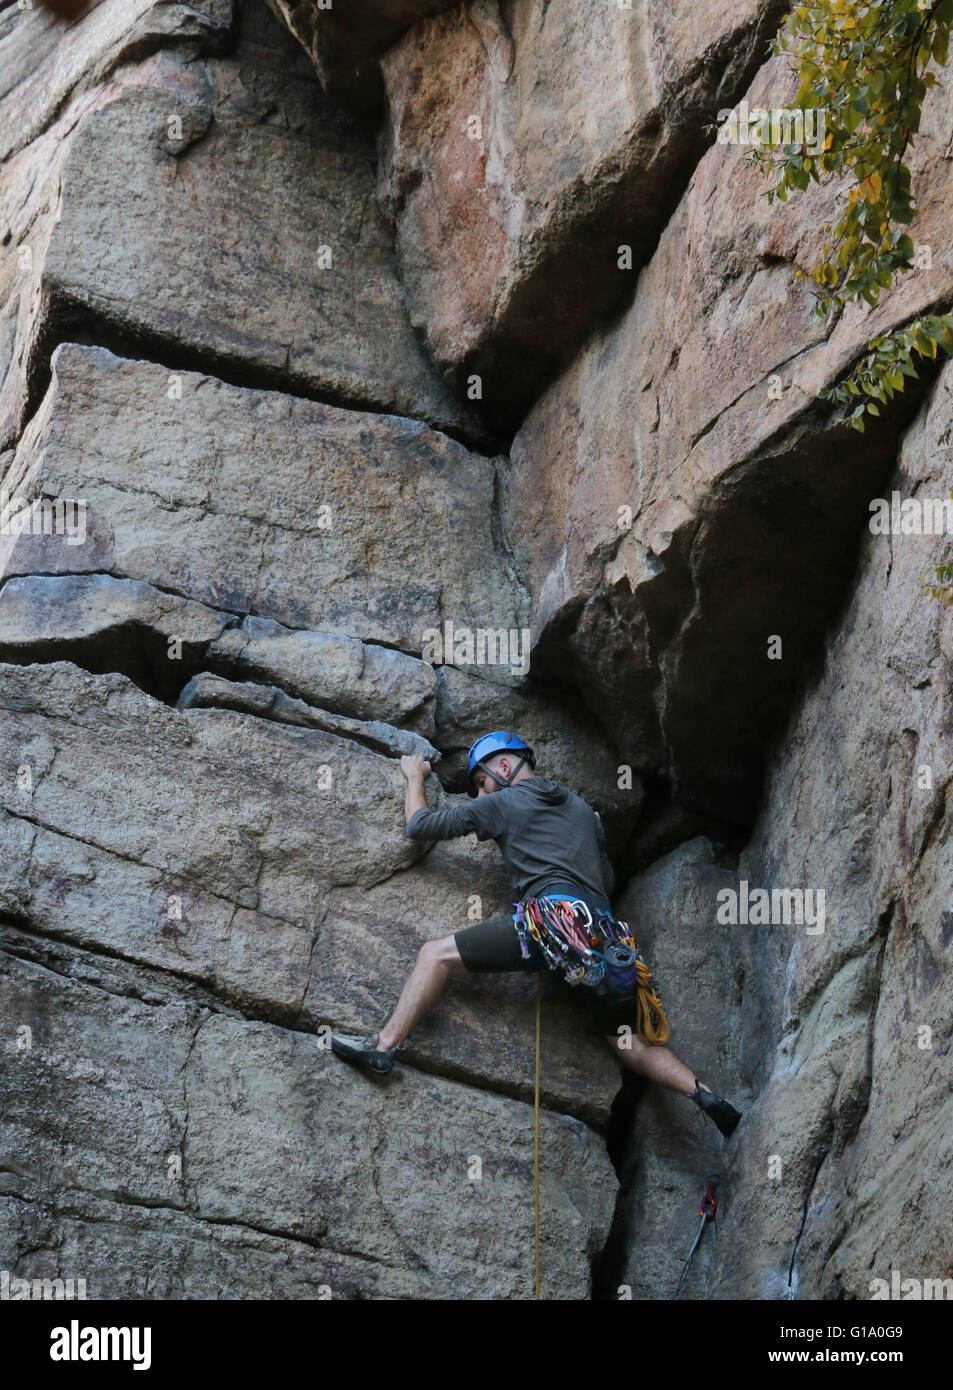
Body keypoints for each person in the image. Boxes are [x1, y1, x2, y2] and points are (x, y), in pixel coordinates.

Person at [330, 730, 741, 1136]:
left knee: (434, 955)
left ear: (504, 766)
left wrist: (415, 776)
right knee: (629, 1044)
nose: (478, 794)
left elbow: (420, 825)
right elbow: (608, 882)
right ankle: (702, 1093)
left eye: (480, 781)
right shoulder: (582, 811)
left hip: (553, 924)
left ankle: (382, 1049)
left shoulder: (504, 801)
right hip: (605, 941)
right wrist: (595, 839)